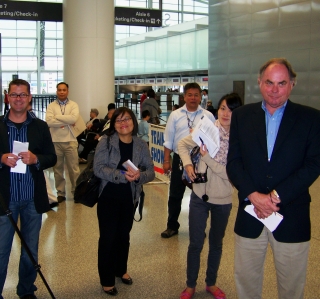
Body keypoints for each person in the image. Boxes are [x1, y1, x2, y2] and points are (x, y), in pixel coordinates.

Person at [227, 58, 320, 299]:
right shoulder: (242, 116)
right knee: (246, 285)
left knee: (291, 289)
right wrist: (254, 195)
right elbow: (234, 163)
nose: (275, 89)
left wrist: (275, 196)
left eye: (282, 83)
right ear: (259, 83)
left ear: (292, 84)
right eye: (269, 82)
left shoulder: (311, 118)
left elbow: (313, 165)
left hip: (292, 216)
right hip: (250, 214)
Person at [0, 79, 57, 299]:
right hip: (7, 198)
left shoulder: (40, 126)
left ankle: (26, 289)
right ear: (7, 97)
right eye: (14, 94)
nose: (18, 99)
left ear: (30, 97)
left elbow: (51, 157)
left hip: (33, 198)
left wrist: (36, 159)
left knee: (30, 252)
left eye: (23, 95)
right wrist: (0, 159)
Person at [178, 93, 242, 299]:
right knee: (195, 243)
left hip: (223, 200)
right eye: (223, 108)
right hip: (199, 197)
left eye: (231, 110)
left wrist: (207, 158)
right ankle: (190, 285)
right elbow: (182, 145)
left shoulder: (241, 141)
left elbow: (232, 174)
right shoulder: (206, 130)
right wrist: (188, 163)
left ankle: (211, 283)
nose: (226, 113)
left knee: (216, 243)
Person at [93, 107, 155, 296]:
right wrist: (122, 174)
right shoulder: (106, 141)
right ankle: (107, 279)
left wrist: (138, 176)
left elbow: (151, 172)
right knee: (108, 238)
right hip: (108, 197)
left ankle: (121, 269)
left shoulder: (140, 144)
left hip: (130, 197)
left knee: (123, 236)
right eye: (118, 120)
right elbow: (98, 168)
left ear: (133, 122)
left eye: (127, 119)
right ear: (114, 125)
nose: (123, 123)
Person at [161, 83, 215, 238]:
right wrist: (166, 161)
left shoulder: (208, 116)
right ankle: (172, 226)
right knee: (175, 194)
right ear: (184, 96)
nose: (193, 98)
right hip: (179, 159)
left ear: (201, 96)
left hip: (201, 160)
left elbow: (214, 139)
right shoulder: (175, 115)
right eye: (190, 95)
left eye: (196, 95)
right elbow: (168, 140)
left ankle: (198, 228)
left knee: (200, 196)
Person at [46, 82, 80, 203]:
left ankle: (76, 192)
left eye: (64, 90)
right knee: (57, 169)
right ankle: (61, 193)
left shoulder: (73, 105)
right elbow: (49, 122)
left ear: (68, 91)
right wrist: (66, 121)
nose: (61, 92)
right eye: (59, 90)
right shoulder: (51, 106)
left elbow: (74, 118)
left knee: (74, 169)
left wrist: (58, 117)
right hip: (55, 141)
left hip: (70, 140)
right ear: (56, 91)